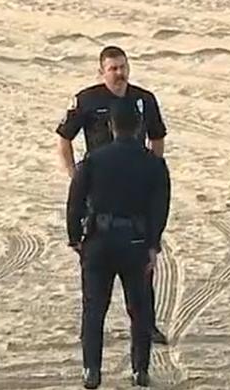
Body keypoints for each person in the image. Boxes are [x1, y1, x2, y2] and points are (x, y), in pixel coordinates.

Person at [56, 45, 169, 345]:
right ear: (101, 71)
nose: (119, 74)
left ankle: (148, 325)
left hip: (135, 186)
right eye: (113, 69)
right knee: (95, 263)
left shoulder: (144, 100)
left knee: (143, 258)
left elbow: (157, 138)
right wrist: (74, 175)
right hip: (98, 186)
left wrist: (154, 173)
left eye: (123, 67)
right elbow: (64, 138)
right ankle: (90, 329)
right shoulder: (87, 100)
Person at [66, 98, 171, 389]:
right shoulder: (154, 164)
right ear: (139, 127)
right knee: (139, 308)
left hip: (99, 239)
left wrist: (75, 238)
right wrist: (153, 244)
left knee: (94, 307)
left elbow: (75, 201)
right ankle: (140, 369)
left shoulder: (94, 160)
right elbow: (159, 209)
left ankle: (92, 370)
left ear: (111, 127)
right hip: (136, 241)